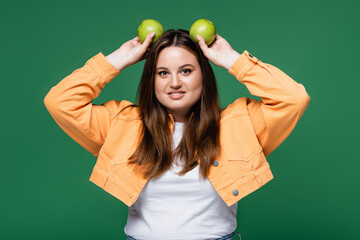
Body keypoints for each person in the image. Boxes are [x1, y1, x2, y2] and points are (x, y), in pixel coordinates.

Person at [44, 29, 310, 240]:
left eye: (186, 70)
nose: (174, 82)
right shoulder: (121, 124)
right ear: (151, 79)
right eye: (162, 73)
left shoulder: (239, 124)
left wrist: (232, 60)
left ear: (203, 76)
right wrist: (119, 59)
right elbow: (60, 102)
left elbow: (293, 99)